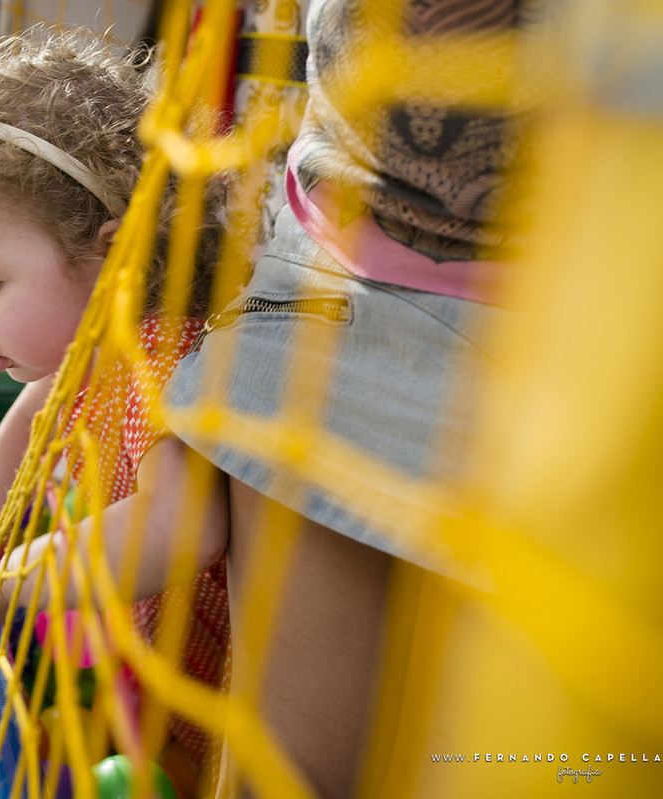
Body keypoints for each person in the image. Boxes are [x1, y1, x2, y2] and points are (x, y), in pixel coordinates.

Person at [159, 0, 543, 796]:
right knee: (290, 770)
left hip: (569, 325)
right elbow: (169, 523)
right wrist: (0, 565)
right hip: (339, 290)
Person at [0, 25, 232, 783]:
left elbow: (183, 521)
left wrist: (4, 580)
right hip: (152, 645)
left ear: (110, 252)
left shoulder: (165, 356)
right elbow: (34, 408)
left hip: (225, 685)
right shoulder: (90, 353)